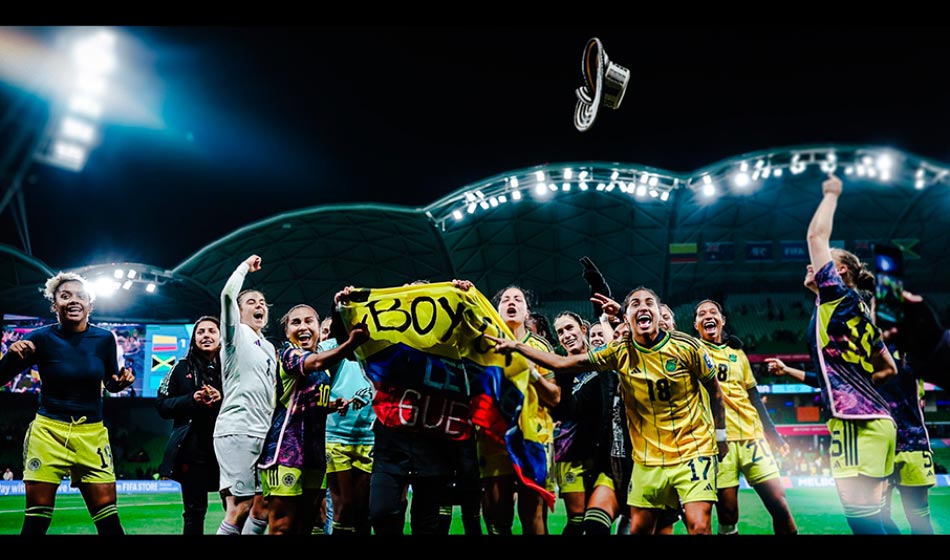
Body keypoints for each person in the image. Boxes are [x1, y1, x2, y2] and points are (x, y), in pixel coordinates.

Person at [486, 286, 728, 534]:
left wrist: (720, 437)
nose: (642, 308)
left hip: (692, 450)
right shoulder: (618, 353)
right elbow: (563, 364)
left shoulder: (687, 347)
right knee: (633, 529)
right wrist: (518, 348)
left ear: (660, 312)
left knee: (698, 526)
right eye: (635, 305)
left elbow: (716, 393)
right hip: (644, 459)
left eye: (649, 304)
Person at [800, 172, 898, 534]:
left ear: (838, 271)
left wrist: (830, 193)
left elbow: (816, 235)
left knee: (863, 523)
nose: (811, 265)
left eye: (822, 263)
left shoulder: (836, 295)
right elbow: (888, 368)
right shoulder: (862, 310)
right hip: (878, 419)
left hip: (855, 421)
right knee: (880, 519)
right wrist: (858, 382)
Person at [0, 271, 135, 534]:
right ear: (55, 305)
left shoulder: (105, 339)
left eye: (80, 296)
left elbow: (110, 382)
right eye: (65, 296)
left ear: (90, 306)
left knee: (109, 521)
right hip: (48, 432)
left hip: (92, 435)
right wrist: (11, 356)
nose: (73, 300)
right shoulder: (40, 338)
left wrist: (119, 384)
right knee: (36, 520)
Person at [259, 303, 369, 535]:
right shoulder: (289, 355)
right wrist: (351, 343)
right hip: (285, 453)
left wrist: (330, 405)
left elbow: (306, 404)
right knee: (282, 528)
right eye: (295, 322)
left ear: (319, 329)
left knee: (306, 526)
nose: (303, 326)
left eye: (309, 321)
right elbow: (316, 362)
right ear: (287, 331)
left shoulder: (324, 368)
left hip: (314, 455)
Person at [692, 299, 797, 535]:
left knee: (780, 503)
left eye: (713, 312)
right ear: (696, 324)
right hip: (719, 444)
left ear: (722, 320)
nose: (708, 316)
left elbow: (754, 397)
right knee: (728, 515)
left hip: (753, 438)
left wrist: (774, 435)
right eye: (701, 314)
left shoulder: (737, 353)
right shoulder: (693, 351)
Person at [479, 285, 561, 535]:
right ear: (497, 310)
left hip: (534, 437)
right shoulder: (483, 344)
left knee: (533, 514)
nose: (511, 302)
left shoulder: (540, 347)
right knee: (498, 514)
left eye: (518, 299)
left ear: (527, 312)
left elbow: (555, 397)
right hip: (494, 439)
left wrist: (532, 371)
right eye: (505, 299)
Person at [213, 254, 278, 535]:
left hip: (264, 432)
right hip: (238, 429)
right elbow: (227, 296)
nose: (259, 305)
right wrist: (244, 269)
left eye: (262, 302)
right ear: (238, 312)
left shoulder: (268, 347)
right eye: (251, 302)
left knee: (263, 506)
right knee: (239, 507)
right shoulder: (234, 333)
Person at [155, 315, 224, 535]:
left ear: (221, 337)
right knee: (194, 511)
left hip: (228, 448)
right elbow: (162, 406)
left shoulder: (233, 369)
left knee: (236, 507)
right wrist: (190, 399)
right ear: (194, 339)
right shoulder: (179, 368)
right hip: (192, 451)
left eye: (212, 331)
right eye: (201, 331)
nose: (206, 335)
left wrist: (222, 397)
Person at [320, 313, 375, 535]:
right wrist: (332, 404)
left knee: (364, 510)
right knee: (343, 508)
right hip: (336, 437)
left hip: (369, 438)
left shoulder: (376, 347)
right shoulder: (329, 347)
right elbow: (318, 387)